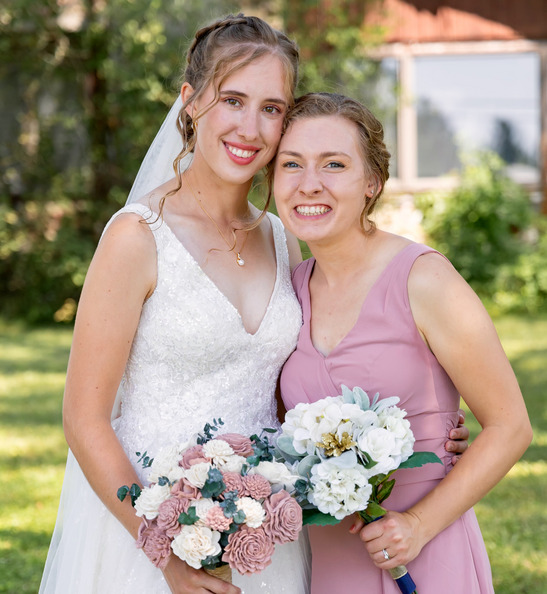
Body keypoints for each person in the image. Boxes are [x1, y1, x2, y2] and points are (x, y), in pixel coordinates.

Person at [39, 14, 469, 594]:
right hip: (148, 528)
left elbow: (297, 378)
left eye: (271, 108)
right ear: (190, 103)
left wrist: (412, 426)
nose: (251, 127)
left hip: (268, 532)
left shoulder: (280, 234)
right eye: (233, 100)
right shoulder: (136, 236)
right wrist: (166, 556)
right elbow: (84, 419)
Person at [275, 92, 532, 593]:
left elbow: (510, 427)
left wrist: (417, 525)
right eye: (292, 164)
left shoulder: (423, 279)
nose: (310, 184)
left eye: (334, 164)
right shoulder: (287, 290)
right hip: (330, 560)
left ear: (371, 182)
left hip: (425, 554)